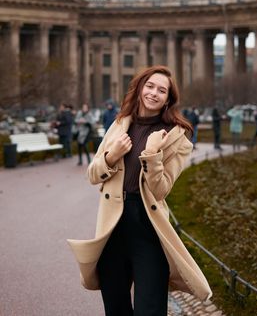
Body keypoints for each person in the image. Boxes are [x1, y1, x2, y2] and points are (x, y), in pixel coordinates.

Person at [67, 65, 212, 316]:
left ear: (169, 99)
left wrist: (154, 154)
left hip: (148, 229)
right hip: (113, 228)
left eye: (162, 90)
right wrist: (112, 156)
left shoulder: (178, 137)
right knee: (116, 308)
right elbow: (92, 174)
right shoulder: (120, 124)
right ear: (140, 88)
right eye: (150, 86)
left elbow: (160, 190)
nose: (154, 93)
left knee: (150, 309)